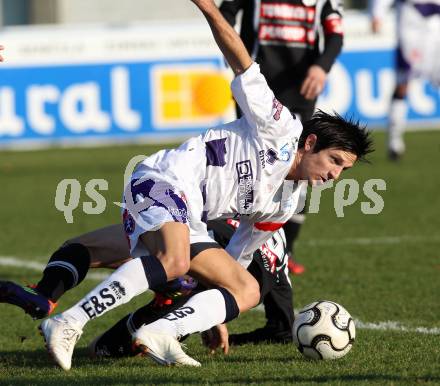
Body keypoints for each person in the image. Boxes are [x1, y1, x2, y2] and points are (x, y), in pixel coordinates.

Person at [8, 0, 371, 371]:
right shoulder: (279, 126)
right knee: (175, 259)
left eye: (343, 170)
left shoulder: (285, 203)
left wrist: (212, 315)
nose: (334, 176)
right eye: (335, 162)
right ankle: (68, 322)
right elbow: (243, 62)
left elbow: (236, 260)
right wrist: (210, 10)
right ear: (310, 144)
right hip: (161, 181)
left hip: (190, 217)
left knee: (244, 288)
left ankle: (162, 332)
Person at [219, 0, 344, 341]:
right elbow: (227, 11)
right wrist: (238, 55)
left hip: (299, 92)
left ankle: (281, 272)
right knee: (247, 186)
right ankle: (232, 290)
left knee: (288, 190)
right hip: (258, 90)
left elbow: (335, 33)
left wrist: (321, 66)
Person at [369, 0, 440, 160]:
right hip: (411, 24)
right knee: (403, 83)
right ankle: (395, 141)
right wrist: (377, 14)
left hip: (436, 26)